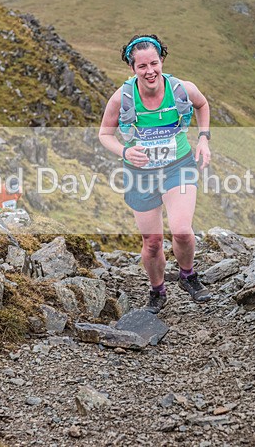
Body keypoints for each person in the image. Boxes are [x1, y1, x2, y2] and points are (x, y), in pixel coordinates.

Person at [99, 34, 212, 313]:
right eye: (142, 66)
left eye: (154, 63)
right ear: (132, 68)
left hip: (178, 166)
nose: (149, 71)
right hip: (141, 174)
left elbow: (202, 105)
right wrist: (125, 152)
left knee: (182, 231)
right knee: (152, 242)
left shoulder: (181, 89)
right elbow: (104, 134)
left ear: (161, 60)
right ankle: (157, 291)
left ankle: (188, 275)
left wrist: (203, 139)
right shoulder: (122, 97)